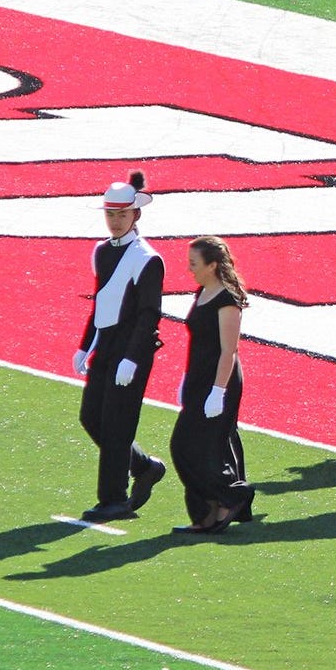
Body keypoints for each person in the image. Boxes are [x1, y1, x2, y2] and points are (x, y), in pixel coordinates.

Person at [72, 172, 166, 522]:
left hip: (131, 349)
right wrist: (85, 346)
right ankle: (143, 466)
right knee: (91, 417)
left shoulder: (147, 258)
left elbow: (149, 314)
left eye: (122, 214)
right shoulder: (101, 251)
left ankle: (114, 499)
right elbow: (102, 302)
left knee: (116, 425)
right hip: (107, 345)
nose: (115, 221)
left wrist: (132, 358)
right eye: (110, 214)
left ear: (135, 215)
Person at [171, 236, 257, 534]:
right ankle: (208, 512)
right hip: (198, 379)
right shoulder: (202, 292)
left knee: (191, 445)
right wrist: (186, 378)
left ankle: (232, 496)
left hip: (219, 381)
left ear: (212, 265)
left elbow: (228, 351)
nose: (189, 269)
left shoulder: (227, 300)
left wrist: (218, 392)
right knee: (188, 447)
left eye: (194, 263)